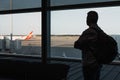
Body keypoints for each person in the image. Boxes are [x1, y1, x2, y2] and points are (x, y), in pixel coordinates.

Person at [74, 11, 103, 80]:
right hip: (98, 63)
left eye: (87, 18)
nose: (86, 20)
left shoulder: (88, 32)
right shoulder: (100, 31)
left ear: (89, 19)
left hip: (89, 64)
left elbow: (77, 44)